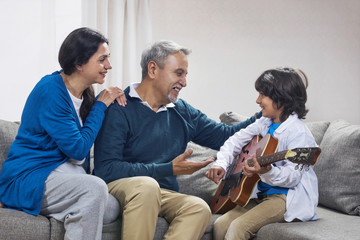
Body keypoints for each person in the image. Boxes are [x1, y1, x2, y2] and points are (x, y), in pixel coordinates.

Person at [93, 40, 262, 240]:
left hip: (163, 194)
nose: (184, 82)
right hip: (123, 188)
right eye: (179, 73)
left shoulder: (182, 111)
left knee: (198, 208)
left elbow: (225, 137)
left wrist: (265, 114)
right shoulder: (118, 107)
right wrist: (168, 168)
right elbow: (106, 169)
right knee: (147, 187)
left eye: (185, 75)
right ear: (153, 69)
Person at [0, 27, 126, 240]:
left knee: (111, 207)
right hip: (31, 175)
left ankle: (70, 210)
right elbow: (77, 150)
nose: (108, 66)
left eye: (108, 58)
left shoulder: (84, 94)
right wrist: (101, 105)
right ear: (79, 64)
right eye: (102, 59)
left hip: (60, 173)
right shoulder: (51, 90)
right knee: (93, 191)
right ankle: (17, 198)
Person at [206, 67, 318, 240]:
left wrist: (267, 171)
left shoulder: (298, 133)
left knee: (238, 228)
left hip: (285, 198)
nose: (257, 100)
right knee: (220, 224)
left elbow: (293, 177)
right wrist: (220, 163)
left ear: (281, 97)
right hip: (262, 195)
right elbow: (234, 141)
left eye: (262, 95)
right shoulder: (264, 123)